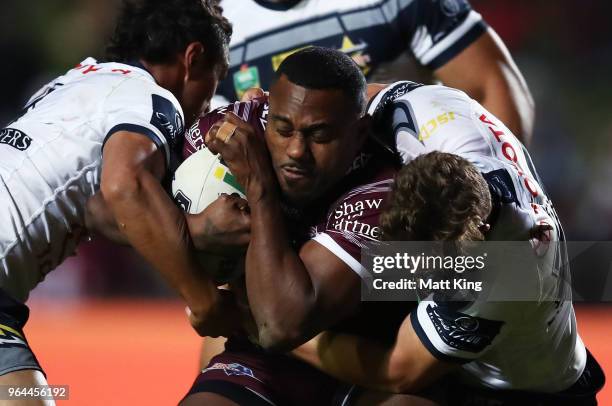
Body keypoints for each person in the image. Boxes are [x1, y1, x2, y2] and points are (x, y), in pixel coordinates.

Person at [0, 0, 241, 398]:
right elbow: (124, 187)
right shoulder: (151, 100)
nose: (206, 105)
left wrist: (194, 230)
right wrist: (203, 299)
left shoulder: (74, 81)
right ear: (192, 58)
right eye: (215, 79)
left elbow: (98, 209)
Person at [181, 46, 415, 406]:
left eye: (319, 135)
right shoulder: (232, 128)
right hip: (265, 362)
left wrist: (259, 185)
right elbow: (120, 203)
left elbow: (279, 326)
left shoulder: (388, 188)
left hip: (373, 363)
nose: (295, 151)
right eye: (282, 128)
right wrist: (195, 229)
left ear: (359, 132)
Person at [293, 151, 605, 405]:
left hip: (525, 395)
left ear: (478, 235)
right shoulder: (467, 154)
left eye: (434, 264)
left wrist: (290, 335)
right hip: (516, 355)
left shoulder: (500, 278)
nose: (417, 271)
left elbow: (398, 371)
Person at [214, 0, 535, 143]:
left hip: (413, 213)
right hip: (293, 232)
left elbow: (493, 89)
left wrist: (480, 208)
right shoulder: (212, 23)